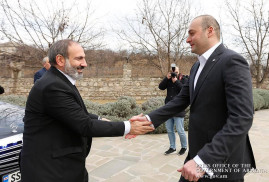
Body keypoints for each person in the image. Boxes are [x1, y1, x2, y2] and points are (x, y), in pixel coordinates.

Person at [131, 15, 255, 182]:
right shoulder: (197, 66)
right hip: (196, 154)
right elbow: (181, 100)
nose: (187, 39)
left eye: (191, 33)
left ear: (209, 31)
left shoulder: (231, 61)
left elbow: (242, 118)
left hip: (220, 162)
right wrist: (149, 119)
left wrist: (204, 160)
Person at [20, 39, 154, 182]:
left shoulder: (58, 81)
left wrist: (100, 119)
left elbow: (71, 113)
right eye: (79, 58)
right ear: (60, 59)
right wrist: (128, 127)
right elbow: (84, 125)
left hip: (64, 166)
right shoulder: (52, 86)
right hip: (50, 171)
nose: (85, 64)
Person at [159, 66, 187, 155]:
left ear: (179, 72)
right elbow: (161, 87)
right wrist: (166, 78)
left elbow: (184, 90)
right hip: (168, 108)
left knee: (180, 130)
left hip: (179, 108)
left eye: (176, 72)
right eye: (173, 72)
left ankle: (184, 147)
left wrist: (176, 81)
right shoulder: (168, 80)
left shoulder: (183, 79)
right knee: (169, 129)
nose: (174, 74)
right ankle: (172, 147)